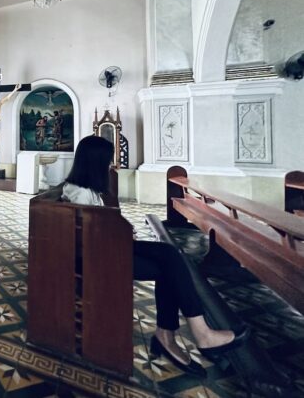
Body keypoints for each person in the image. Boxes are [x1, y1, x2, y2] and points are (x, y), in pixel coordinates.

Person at [62, 135, 249, 376]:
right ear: (95, 162)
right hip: (100, 256)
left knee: (170, 254)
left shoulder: (86, 188)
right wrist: (122, 233)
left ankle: (181, 334)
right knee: (169, 267)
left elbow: (101, 225)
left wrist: (123, 231)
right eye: (108, 160)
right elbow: (91, 232)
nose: (111, 165)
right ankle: (184, 334)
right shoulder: (78, 193)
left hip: (109, 246)